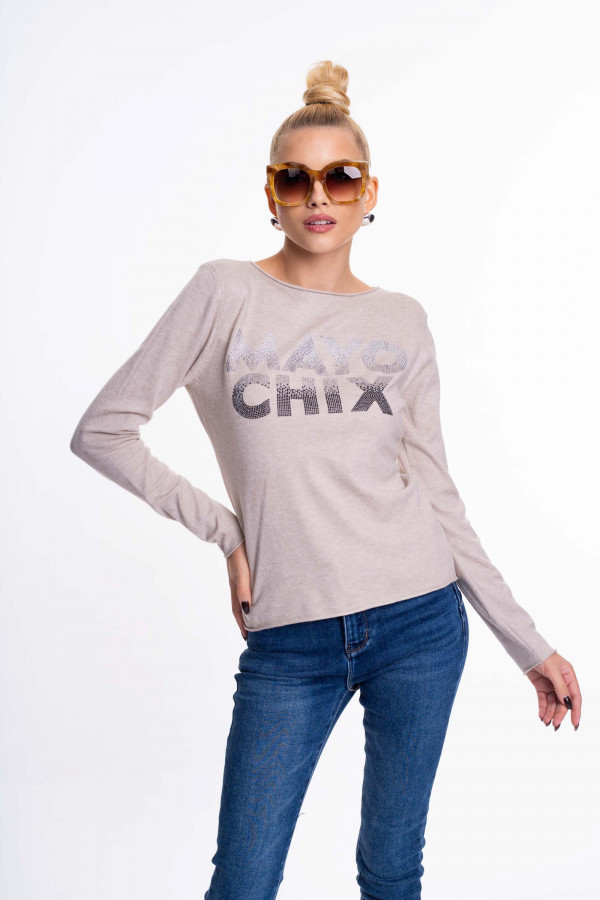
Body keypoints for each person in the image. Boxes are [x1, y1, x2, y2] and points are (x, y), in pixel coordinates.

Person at [70, 59, 581, 900]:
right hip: (289, 640)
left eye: (340, 178)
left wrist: (527, 644)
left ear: (369, 193)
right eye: (295, 178)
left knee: (392, 869)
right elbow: (104, 430)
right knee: (244, 881)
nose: (319, 196)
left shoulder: (401, 320)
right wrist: (228, 533)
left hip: (421, 622)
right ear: (270, 194)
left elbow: (438, 495)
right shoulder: (224, 293)